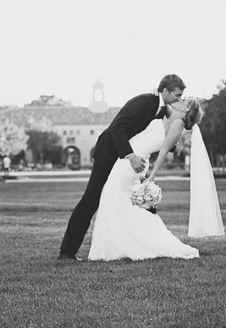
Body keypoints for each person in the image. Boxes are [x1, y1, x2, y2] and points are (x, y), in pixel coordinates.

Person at [57, 74, 186, 260]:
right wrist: (130, 156)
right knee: (91, 200)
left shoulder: (162, 107)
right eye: (177, 95)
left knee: (140, 201)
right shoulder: (143, 102)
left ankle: (143, 245)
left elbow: (159, 132)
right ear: (165, 91)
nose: (179, 99)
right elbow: (117, 128)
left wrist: (173, 142)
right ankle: (67, 251)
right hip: (109, 156)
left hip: (129, 164)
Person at [88, 97, 224, 261]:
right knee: (118, 200)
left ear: (186, 109)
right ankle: (120, 244)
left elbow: (163, 153)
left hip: (135, 163)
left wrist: (152, 176)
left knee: (113, 195)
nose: (179, 99)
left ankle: (124, 245)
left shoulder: (177, 124)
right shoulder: (168, 115)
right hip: (127, 158)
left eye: (184, 100)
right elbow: (160, 100)